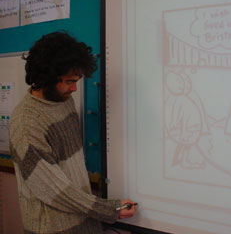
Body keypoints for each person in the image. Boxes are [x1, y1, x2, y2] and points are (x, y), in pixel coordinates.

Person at [9, 31, 136, 234]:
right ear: (45, 78)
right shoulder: (26, 125)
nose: (75, 89)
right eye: (69, 81)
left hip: (83, 219)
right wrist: (110, 209)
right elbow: (53, 190)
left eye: (77, 80)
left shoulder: (62, 101)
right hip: (53, 229)